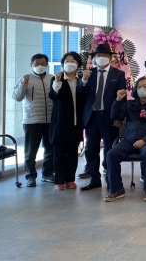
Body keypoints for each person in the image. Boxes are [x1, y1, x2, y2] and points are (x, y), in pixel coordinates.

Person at [106, 77, 146, 202]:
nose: (142, 89)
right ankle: (116, 189)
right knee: (112, 154)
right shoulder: (129, 104)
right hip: (129, 139)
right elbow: (115, 116)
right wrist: (118, 100)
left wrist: (145, 140)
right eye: (139, 86)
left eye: (145, 86)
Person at [77, 43, 127, 191]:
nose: (101, 57)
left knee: (110, 149)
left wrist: (119, 117)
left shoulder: (118, 74)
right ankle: (94, 179)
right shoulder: (88, 74)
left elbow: (122, 97)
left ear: (110, 58)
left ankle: (111, 179)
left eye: (105, 55)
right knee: (91, 150)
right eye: (98, 55)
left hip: (110, 117)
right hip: (91, 117)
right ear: (94, 58)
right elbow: (80, 95)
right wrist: (83, 81)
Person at [12, 53, 55, 187]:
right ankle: (30, 176)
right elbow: (17, 97)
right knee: (30, 151)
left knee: (50, 149)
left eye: (43, 63)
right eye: (36, 64)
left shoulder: (52, 78)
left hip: (50, 120)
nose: (40, 66)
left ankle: (47, 174)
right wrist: (23, 84)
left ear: (47, 65)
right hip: (32, 121)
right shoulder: (25, 78)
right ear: (31, 65)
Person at [49, 52, 84, 191]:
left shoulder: (81, 80)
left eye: (73, 60)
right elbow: (53, 96)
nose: (70, 63)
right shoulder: (56, 79)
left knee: (73, 153)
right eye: (67, 61)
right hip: (60, 123)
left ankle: (70, 179)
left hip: (76, 122)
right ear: (63, 64)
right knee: (59, 154)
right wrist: (57, 82)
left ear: (78, 64)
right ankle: (59, 180)